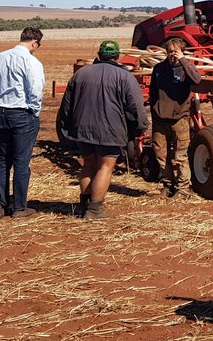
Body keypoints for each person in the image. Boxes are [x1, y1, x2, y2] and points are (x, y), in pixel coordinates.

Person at [58, 40, 148, 220]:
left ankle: (83, 204)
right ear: (117, 56)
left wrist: (69, 127)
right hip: (109, 130)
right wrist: (141, 127)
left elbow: (66, 106)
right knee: (105, 166)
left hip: (82, 129)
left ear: (99, 55)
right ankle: (95, 209)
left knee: (88, 164)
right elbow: (136, 106)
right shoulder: (124, 76)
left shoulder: (81, 73)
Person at [0, 27, 45, 219]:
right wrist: (34, 111)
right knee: (21, 162)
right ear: (35, 43)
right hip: (22, 113)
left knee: (3, 159)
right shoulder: (31, 61)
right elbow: (36, 89)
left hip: (1, 112)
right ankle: (19, 207)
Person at [148, 38, 202, 197]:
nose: (172, 55)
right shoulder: (159, 69)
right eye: (170, 51)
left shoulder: (187, 68)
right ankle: (167, 185)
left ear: (182, 52)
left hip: (179, 119)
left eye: (176, 52)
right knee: (161, 155)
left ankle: (183, 189)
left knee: (180, 156)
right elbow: (153, 92)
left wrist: (183, 61)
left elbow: (196, 80)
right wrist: (154, 111)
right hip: (160, 119)